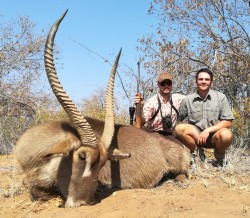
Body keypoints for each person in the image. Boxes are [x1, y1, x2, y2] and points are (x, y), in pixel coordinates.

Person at [175, 68, 234, 166]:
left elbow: (228, 121)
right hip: (196, 136)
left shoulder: (220, 97)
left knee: (227, 134)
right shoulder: (188, 99)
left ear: (211, 82)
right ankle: (197, 154)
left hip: (214, 136)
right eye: (200, 79)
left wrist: (208, 131)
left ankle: (219, 158)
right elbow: (178, 118)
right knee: (179, 129)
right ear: (196, 81)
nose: (203, 82)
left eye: (207, 79)